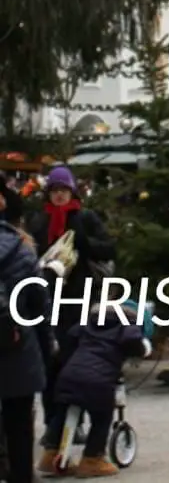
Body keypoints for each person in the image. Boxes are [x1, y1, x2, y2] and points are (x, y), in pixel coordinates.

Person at [27, 165, 115, 438]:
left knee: (75, 362)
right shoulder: (40, 220)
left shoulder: (85, 217)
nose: (60, 196)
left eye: (64, 190)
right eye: (55, 191)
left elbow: (108, 249)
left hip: (80, 298)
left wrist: (83, 243)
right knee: (50, 364)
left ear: (72, 191)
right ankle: (53, 423)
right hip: (47, 300)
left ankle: (75, 422)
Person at [38, 303, 151, 477]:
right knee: (101, 417)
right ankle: (92, 458)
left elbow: (70, 337)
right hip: (98, 380)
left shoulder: (87, 323)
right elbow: (135, 343)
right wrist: (144, 348)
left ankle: (50, 453)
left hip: (69, 374)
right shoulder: (127, 326)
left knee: (61, 413)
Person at [0, 181, 55, 483]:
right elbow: (40, 308)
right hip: (17, 349)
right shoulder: (22, 249)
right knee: (20, 427)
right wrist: (46, 353)